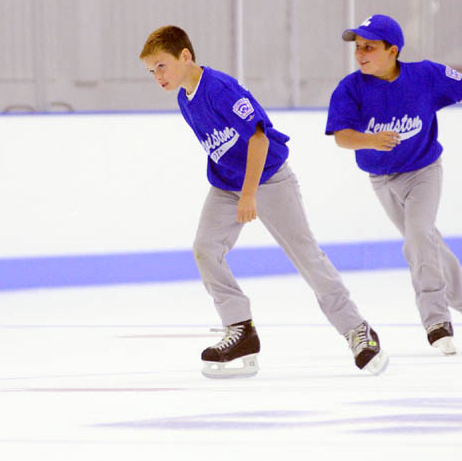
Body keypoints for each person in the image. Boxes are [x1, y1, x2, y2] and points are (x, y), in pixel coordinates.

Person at [139, 25, 388, 378]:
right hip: (227, 184)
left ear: (185, 56)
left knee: (306, 255)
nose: (157, 77)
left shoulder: (221, 88)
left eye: (161, 66)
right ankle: (240, 328)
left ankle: (357, 330)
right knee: (205, 249)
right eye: (151, 71)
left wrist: (250, 193)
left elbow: (259, 140)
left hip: (268, 178)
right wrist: (237, 189)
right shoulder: (184, 98)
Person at [325, 14, 462, 355]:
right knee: (425, 241)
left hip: (423, 171)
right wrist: (370, 140)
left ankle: (435, 319)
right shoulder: (350, 88)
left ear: (393, 50)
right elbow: (342, 137)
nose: (360, 54)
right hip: (382, 180)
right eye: (358, 48)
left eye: (369, 47)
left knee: (418, 236)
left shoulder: (426, 75)